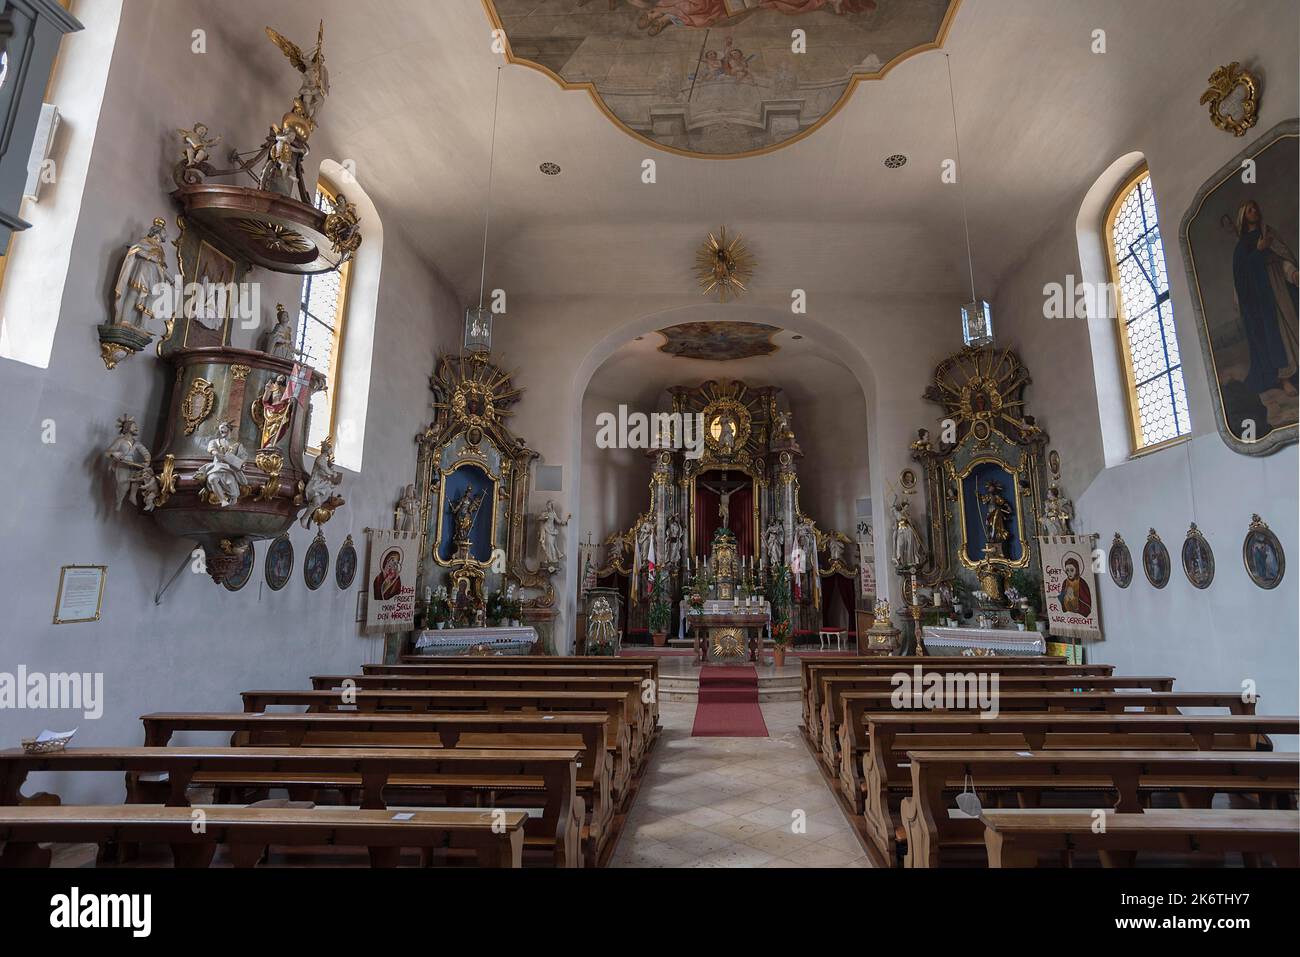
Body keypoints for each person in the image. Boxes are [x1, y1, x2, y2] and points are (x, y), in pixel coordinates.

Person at [1232, 199, 1299, 401]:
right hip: (1261, 297)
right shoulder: (1242, 246)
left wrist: (1293, 273)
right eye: (1250, 210)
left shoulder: (1268, 233)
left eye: (1255, 208)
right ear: (1244, 217)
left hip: (1280, 286)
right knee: (1275, 332)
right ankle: (1284, 377)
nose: (1254, 212)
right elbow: (1242, 276)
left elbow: (1281, 256)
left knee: (1292, 323)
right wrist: (1259, 251)